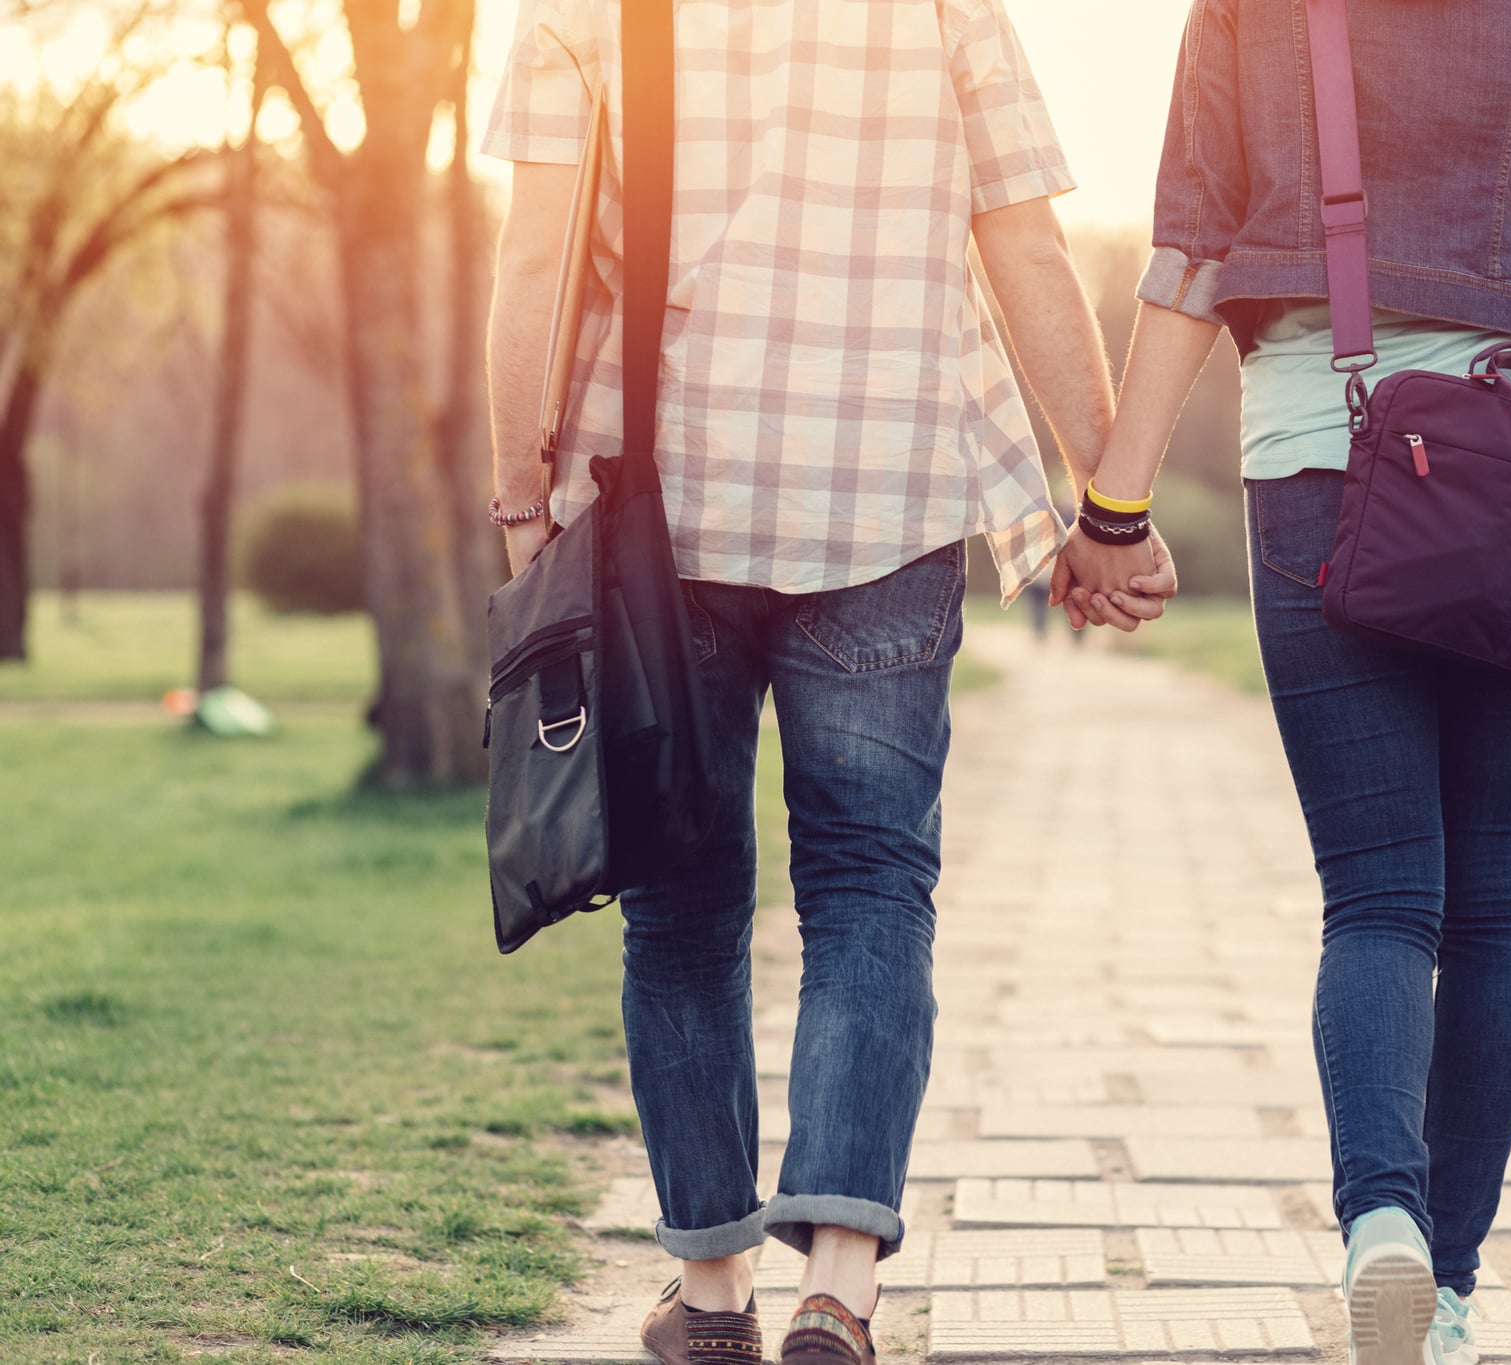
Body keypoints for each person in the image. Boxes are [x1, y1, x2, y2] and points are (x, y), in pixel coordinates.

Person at [481, 4, 1168, 1364]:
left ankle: (716, 1292)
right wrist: (1110, 504)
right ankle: (837, 1286)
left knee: (682, 894)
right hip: (887, 492)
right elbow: (1021, 236)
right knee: (869, 880)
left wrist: (521, 499)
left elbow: (539, 252)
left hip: (657, 507)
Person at [1057, 2, 1511, 1362]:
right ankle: (1446, 1294)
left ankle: (1380, 1226)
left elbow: (1187, 260)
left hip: (1316, 468)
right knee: (1496, 900)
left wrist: (1115, 505)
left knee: (1381, 896)